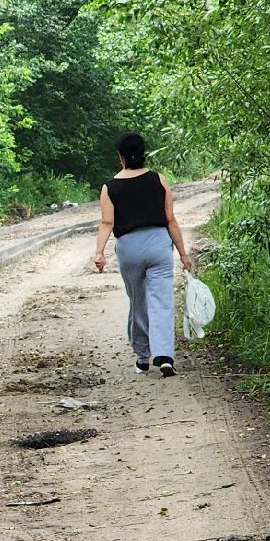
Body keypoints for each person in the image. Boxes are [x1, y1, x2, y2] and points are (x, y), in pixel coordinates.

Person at [93, 133, 195, 376]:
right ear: (144, 153)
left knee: (138, 301)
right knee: (162, 300)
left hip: (129, 247)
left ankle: (142, 356)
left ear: (120, 157)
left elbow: (107, 222)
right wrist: (183, 254)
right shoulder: (159, 180)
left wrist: (99, 252)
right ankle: (165, 355)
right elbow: (170, 219)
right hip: (159, 244)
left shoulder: (110, 187)